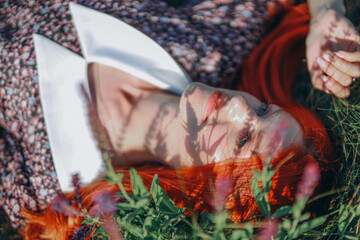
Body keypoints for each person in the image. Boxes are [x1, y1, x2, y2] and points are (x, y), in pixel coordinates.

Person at [0, 0, 359, 235]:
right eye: (263, 108)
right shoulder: (210, 47)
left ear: (208, 186)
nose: (237, 106)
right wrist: (325, 12)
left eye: (244, 139)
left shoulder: (43, 186)